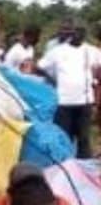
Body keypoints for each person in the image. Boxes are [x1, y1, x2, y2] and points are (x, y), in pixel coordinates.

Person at [37, 24, 101, 157]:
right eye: (77, 32)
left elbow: (98, 66)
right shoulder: (58, 51)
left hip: (84, 102)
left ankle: (84, 169)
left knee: (84, 139)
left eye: (82, 33)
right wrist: (54, 79)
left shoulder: (91, 51)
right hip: (64, 102)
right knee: (65, 138)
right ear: (72, 34)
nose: (79, 35)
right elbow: (40, 66)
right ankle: (66, 167)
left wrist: (94, 82)